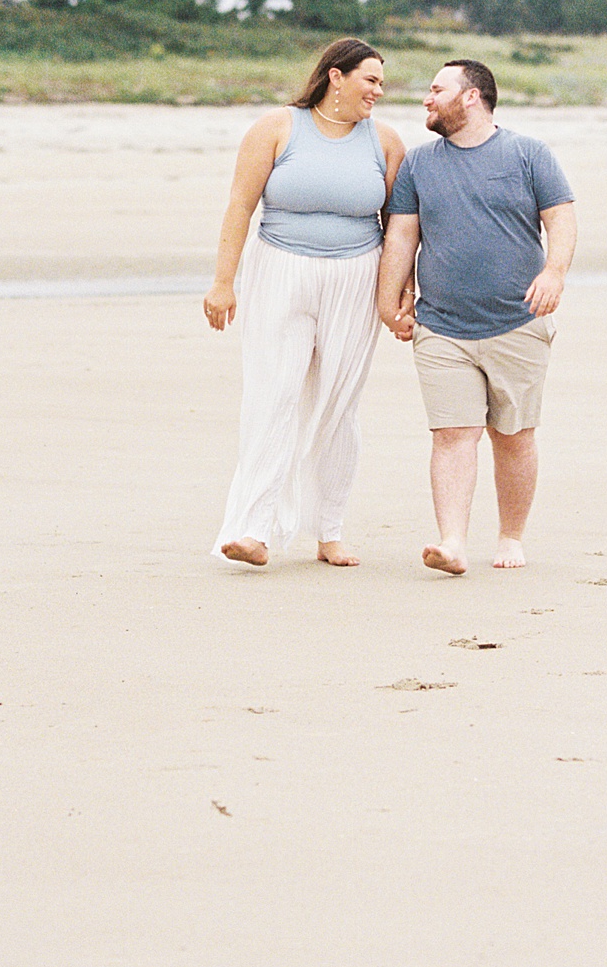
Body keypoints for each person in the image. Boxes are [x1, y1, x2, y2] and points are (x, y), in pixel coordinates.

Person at [205, 38, 406, 568]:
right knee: (274, 397)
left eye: (381, 82)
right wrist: (224, 282)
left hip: (356, 277)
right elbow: (239, 207)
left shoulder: (384, 142)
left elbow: (399, 229)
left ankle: (329, 530)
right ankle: (254, 528)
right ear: (336, 76)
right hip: (280, 270)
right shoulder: (276, 129)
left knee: (338, 405)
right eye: (370, 79)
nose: (378, 92)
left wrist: (397, 293)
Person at [377, 59, 576, 575]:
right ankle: (453, 542)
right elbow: (401, 235)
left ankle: (510, 537)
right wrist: (389, 298)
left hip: (519, 321)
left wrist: (554, 272)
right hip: (441, 326)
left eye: (437, 89)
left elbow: (561, 219)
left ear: (471, 97)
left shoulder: (528, 154)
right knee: (452, 434)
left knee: (513, 437)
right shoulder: (419, 164)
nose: (426, 98)